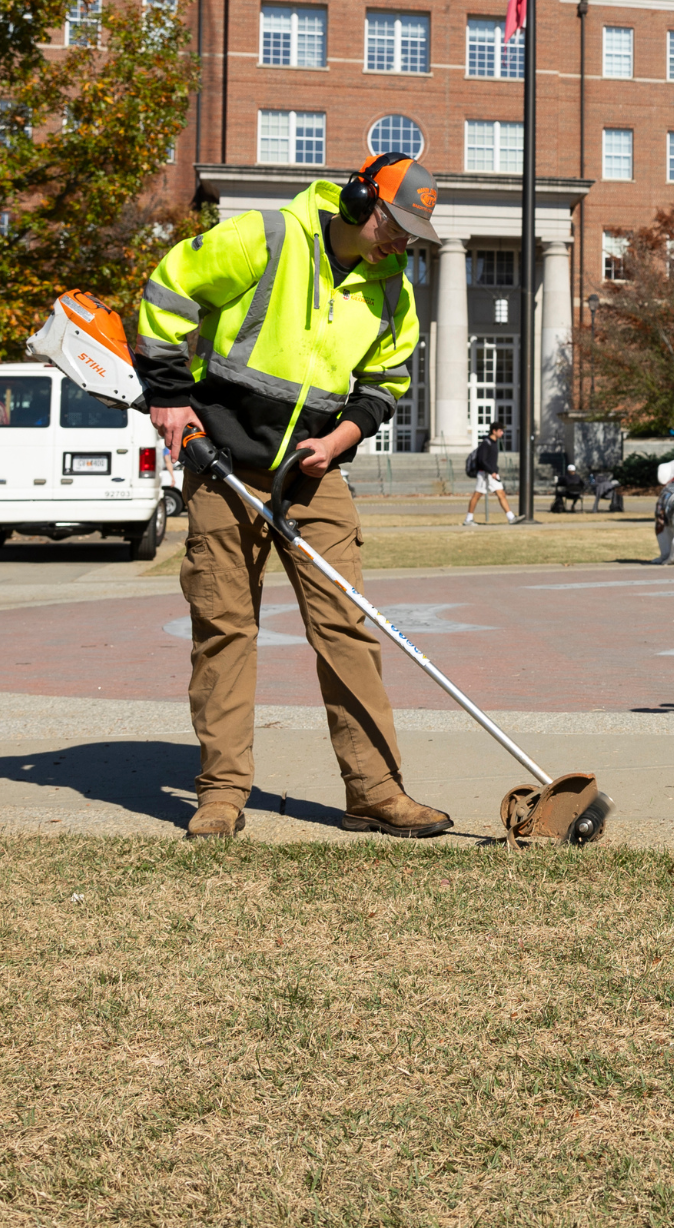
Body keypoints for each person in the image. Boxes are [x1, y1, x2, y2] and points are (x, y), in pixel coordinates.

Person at [135, 152, 451, 844]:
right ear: (358, 200)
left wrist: (339, 440)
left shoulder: (392, 289)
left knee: (346, 627)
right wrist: (166, 395)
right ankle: (220, 794)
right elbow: (169, 289)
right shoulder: (268, 237)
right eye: (395, 225)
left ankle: (376, 792)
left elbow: (385, 383)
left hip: (315, 475)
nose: (403, 242)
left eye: (413, 232)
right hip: (224, 465)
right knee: (226, 629)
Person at [463, 423, 517, 525]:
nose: (502, 433)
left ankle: (511, 517)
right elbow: (481, 460)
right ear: (494, 431)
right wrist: (491, 471)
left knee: (501, 494)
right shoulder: (486, 443)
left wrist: (494, 471)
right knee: (477, 495)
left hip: (492, 474)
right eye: (500, 430)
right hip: (484, 474)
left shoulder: (494, 443)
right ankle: (468, 519)